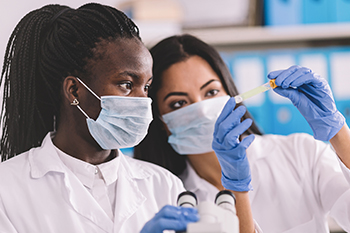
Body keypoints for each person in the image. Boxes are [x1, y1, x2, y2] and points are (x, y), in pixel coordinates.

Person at [0, 4, 202, 233]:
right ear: (74, 90)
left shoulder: (163, 185)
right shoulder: (7, 190)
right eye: (126, 85)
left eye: (146, 87)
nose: (143, 101)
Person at [134, 34, 350, 233]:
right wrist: (237, 189)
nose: (201, 109)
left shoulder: (300, 154)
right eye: (179, 103)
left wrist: (337, 130)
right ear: (160, 120)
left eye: (211, 92)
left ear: (230, 93)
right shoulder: (169, 197)